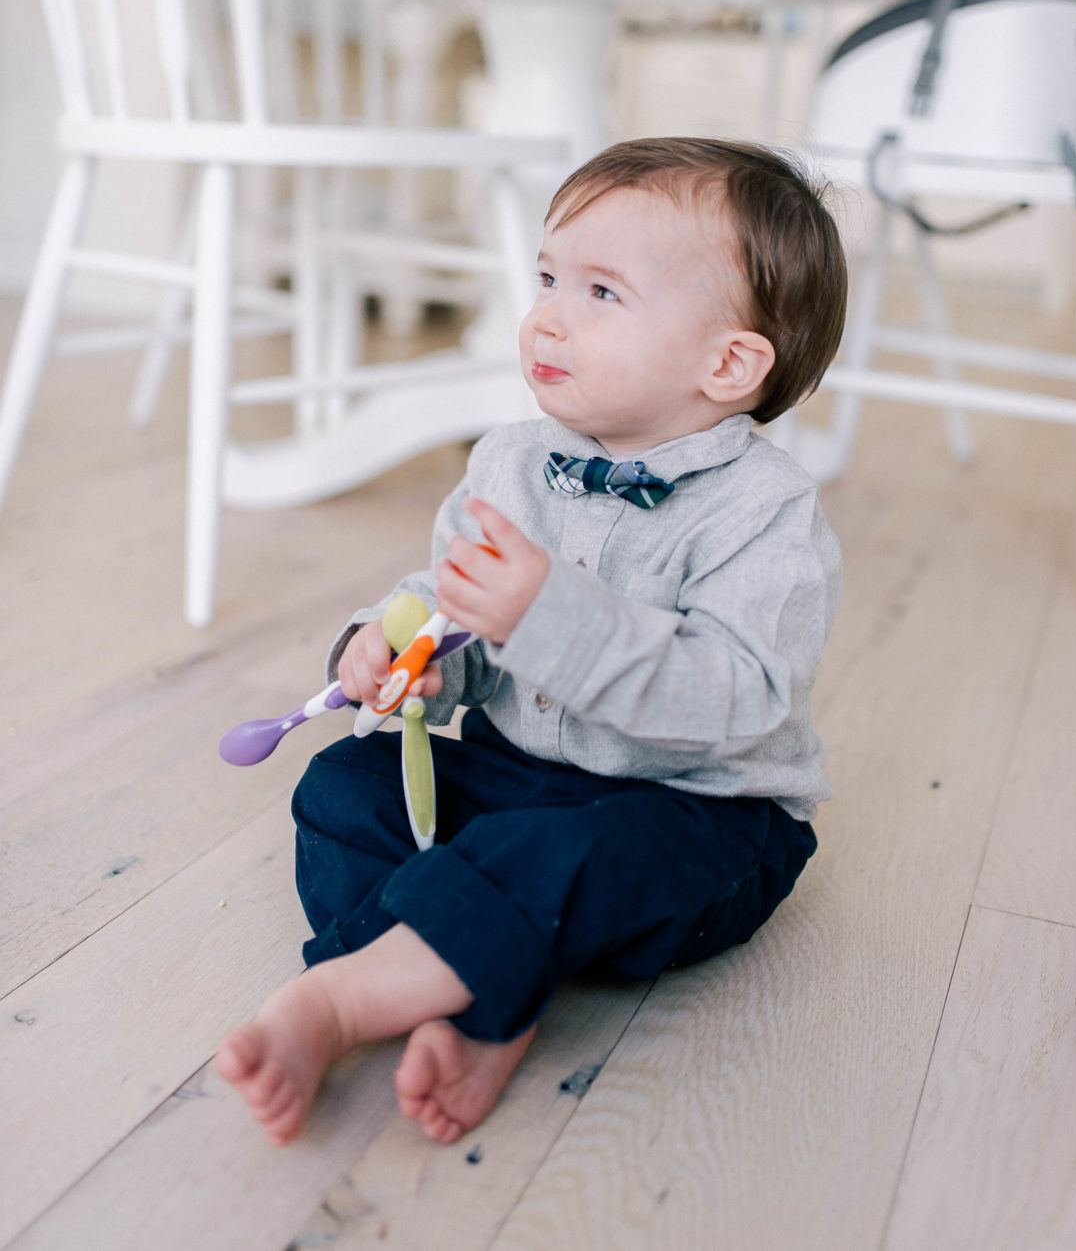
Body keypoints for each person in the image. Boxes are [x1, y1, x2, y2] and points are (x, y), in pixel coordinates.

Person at [215, 136, 847, 1148]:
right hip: (520, 773)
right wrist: (404, 656)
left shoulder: (762, 516)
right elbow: (455, 610)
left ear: (726, 362)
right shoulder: (507, 462)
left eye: (601, 293)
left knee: (569, 850)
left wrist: (549, 617)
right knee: (346, 789)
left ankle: (341, 998)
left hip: (693, 813)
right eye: (547, 277)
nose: (546, 313)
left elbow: (736, 699)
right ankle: (472, 1000)